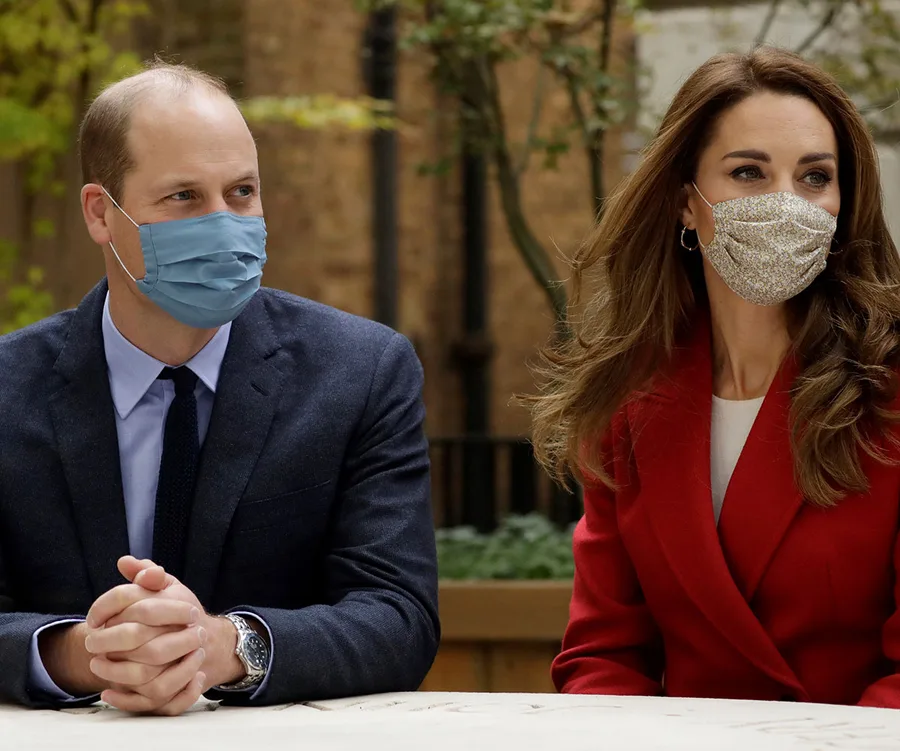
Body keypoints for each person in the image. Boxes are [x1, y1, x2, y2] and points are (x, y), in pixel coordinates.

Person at [0, 62, 439, 715]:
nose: (223, 222)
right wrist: (83, 653)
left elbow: (399, 616)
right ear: (100, 213)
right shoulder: (9, 388)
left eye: (241, 192)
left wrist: (224, 647)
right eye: (183, 196)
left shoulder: (361, 372)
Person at [527, 46, 900, 707]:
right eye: (749, 172)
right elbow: (605, 655)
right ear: (685, 204)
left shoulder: (889, 390)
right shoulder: (629, 400)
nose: (786, 203)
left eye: (815, 177)